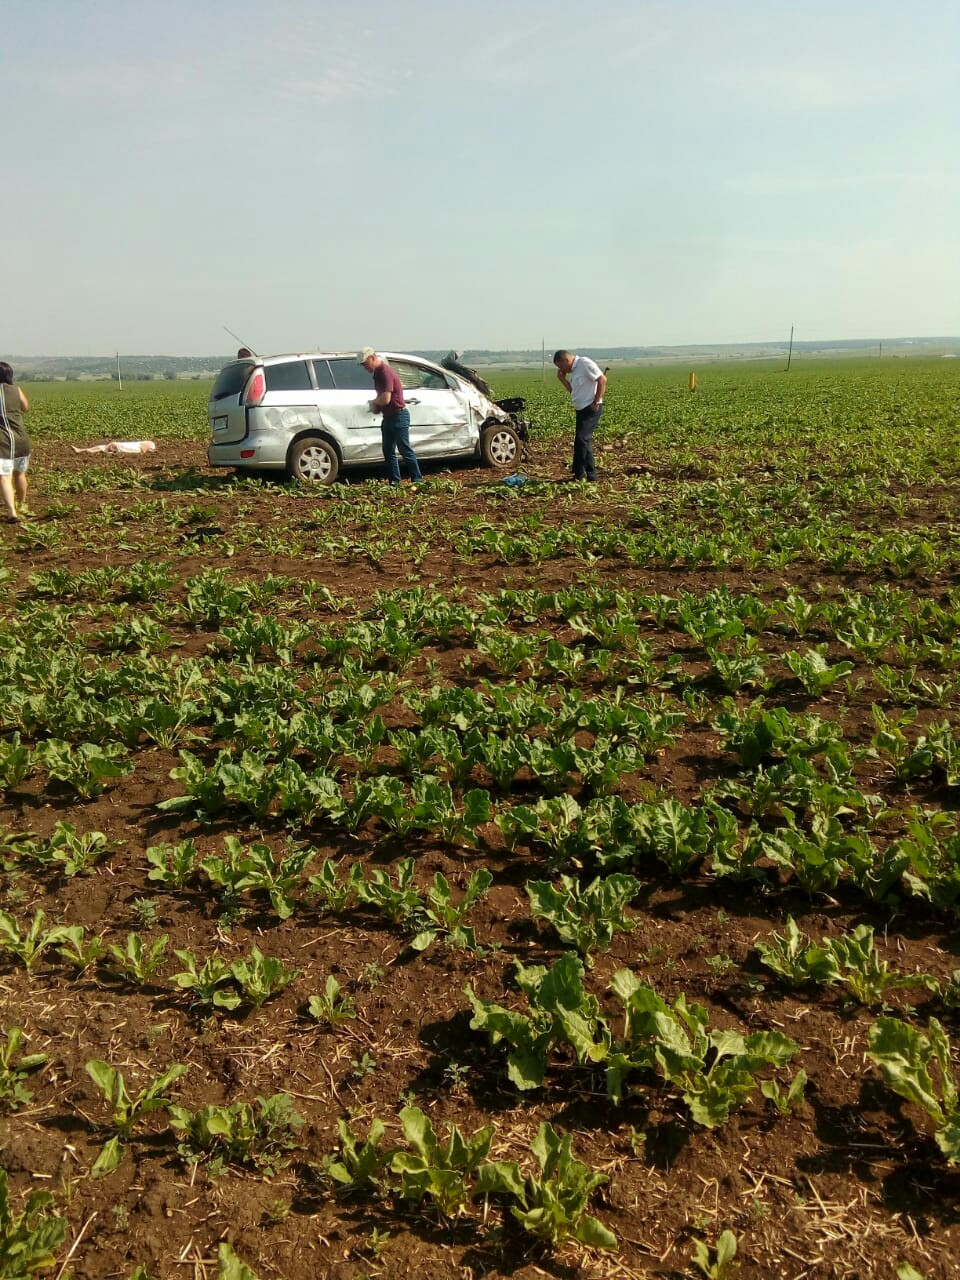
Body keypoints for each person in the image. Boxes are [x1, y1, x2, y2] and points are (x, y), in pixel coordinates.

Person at [358, 347, 423, 486]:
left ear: (373, 358)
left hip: (398, 415)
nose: (365, 367)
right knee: (388, 451)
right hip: (389, 416)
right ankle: (395, 482)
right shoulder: (377, 373)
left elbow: (386, 398)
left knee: (405, 450)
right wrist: (377, 407)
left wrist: (373, 403)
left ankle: (417, 481)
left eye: (365, 363)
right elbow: (383, 397)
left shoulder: (385, 372)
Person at [553, 349, 607, 482]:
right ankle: (590, 475)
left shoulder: (584, 363)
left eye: (561, 366)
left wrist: (595, 402)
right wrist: (562, 380)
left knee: (581, 440)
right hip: (581, 409)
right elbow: (574, 391)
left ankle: (579, 473)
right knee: (583, 441)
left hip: (590, 408)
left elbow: (602, 379)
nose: (562, 369)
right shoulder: (576, 370)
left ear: (566, 360)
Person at [0, 361, 31, 523]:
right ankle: (21, 505)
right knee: (20, 474)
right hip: (21, 439)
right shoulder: (16, 389)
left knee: (4, 477)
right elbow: (25, 407)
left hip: (3, 442)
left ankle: (12, 512)